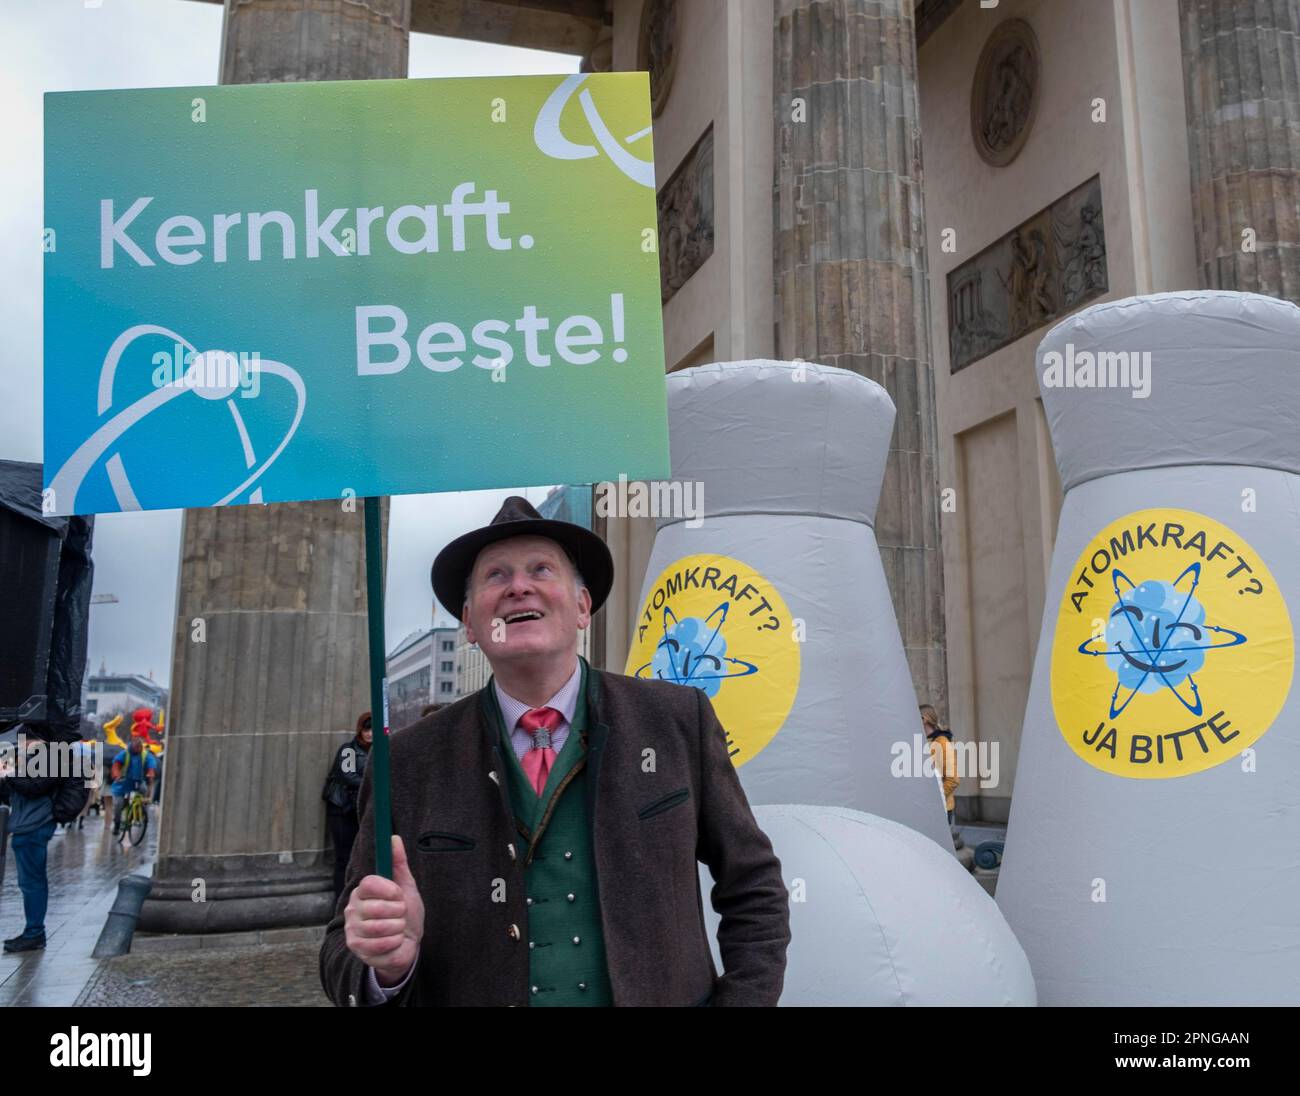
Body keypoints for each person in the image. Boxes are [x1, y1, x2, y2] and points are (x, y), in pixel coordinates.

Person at [320, 496, 790, 1007]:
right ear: (471, 625)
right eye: (495, 576)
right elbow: (340, 952)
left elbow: (754, 887)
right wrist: (386, 966)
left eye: (541, 569)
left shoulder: (677, 720)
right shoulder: (407, 761)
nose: (519, 586)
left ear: (583, 607)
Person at [0, 734, 60, 952]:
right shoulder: (31, 760)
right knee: (31, 881)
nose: (20, 745)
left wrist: (8, 774)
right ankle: (33, 931)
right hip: (27, 825)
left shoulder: (46, 758)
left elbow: (34, 787)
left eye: (24, 740)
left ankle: (34, 932)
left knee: (32, 882)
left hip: (33, 826)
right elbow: (13, 794)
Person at [324, 712, 372, 901]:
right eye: (366, 729)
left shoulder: (380, 749)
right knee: (343, 859)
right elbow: (348, 776)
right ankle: (340, 904)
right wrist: (375, 782)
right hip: (342, 810)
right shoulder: (349, 750)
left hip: (360, 809)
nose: (370, 733)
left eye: (373, 729)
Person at [109, 736, 157, 837]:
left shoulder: (144, 754)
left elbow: (151, 762)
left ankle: (141, 811)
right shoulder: (125, 754)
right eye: (137, 747)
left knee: (144, 791)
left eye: (140, 747)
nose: (139, 750)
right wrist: (117, 774)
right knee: (118, 803)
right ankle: (117, 824)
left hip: (138, 781)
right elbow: (116, 764)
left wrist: (150, 772)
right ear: (133, 746)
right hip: (123, 781)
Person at [921, 704, 960, 826]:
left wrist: (935, 800)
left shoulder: (942, 742)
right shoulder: (924, 741)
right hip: (926, 808)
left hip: (941, 808)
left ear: (924, 719)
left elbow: (953, 779)